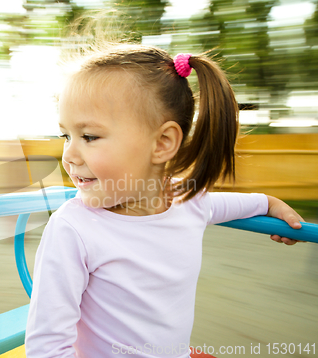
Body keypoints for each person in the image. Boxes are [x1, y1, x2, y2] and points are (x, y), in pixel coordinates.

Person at [24, 44, 304, 358]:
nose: (69, 155)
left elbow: (243, 204)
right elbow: (47, 347)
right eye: (66, 136)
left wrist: (271, 205)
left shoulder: (190, 201)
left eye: (89, 136)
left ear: (162, 143)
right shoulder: (73, 228)